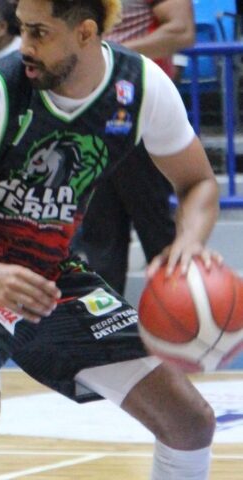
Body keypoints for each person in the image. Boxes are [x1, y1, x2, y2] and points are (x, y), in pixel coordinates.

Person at [0, 0, 219, 479]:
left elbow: (199, 183)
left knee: (190, 422)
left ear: (85, 32)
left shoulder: (143, 87)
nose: (24, 46)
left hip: (50, 275)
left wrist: (189, 241)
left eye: (39, 33)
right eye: (22, 30)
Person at [71, 0, 195, 294]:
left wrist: (109, 56)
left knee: (156, 228)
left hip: (137, 110)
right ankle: (108, 329)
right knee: (100, 238)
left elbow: (181, 31)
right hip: (91, 112)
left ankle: (182, 320)